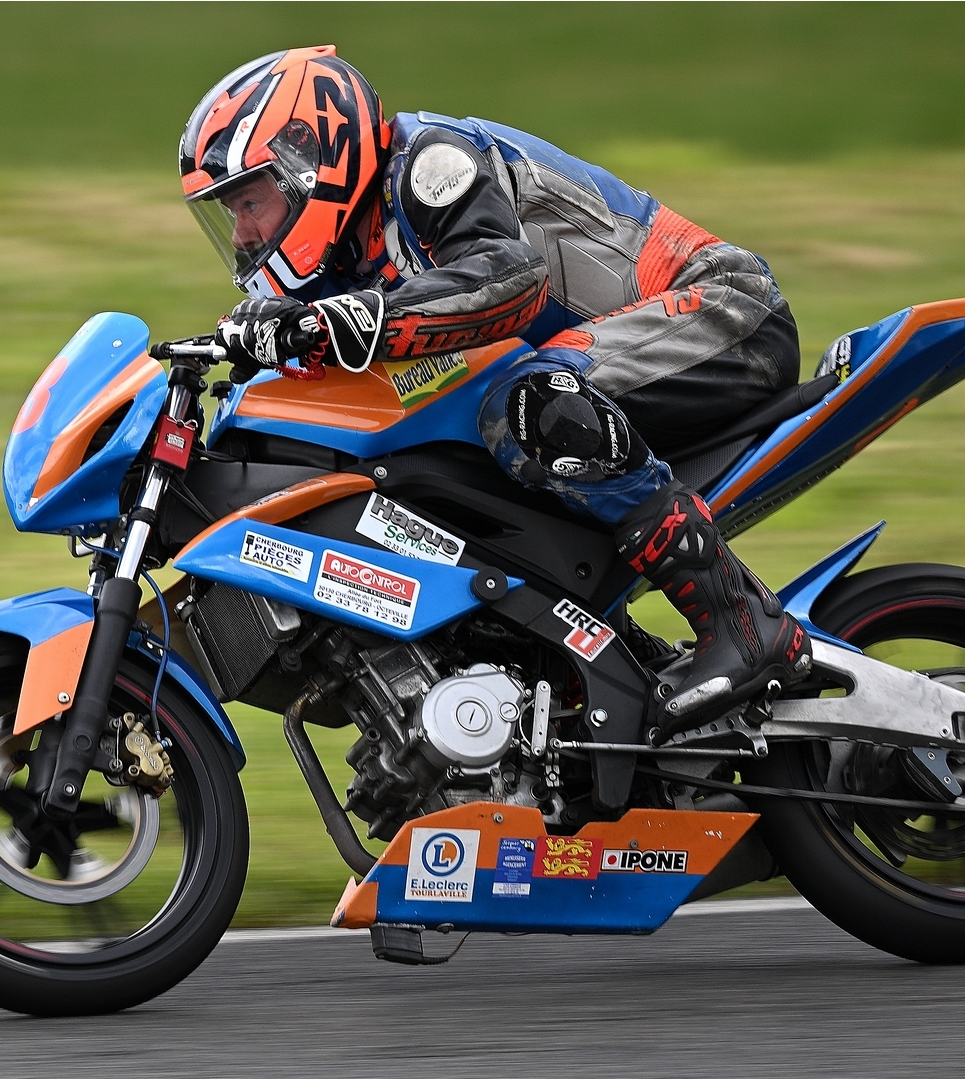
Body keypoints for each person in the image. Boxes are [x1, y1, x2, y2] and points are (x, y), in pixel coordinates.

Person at [179, 46, 809, 726]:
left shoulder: (429, 163)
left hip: (722, 311)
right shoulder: (341, 258)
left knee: (529, 405)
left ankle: (745, 623)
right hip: (598, 370)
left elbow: (508, 280)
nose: (240, 234)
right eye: (230, 211)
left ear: (313, 163)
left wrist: (340, 320)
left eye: (251, 201)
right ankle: (604, 672)